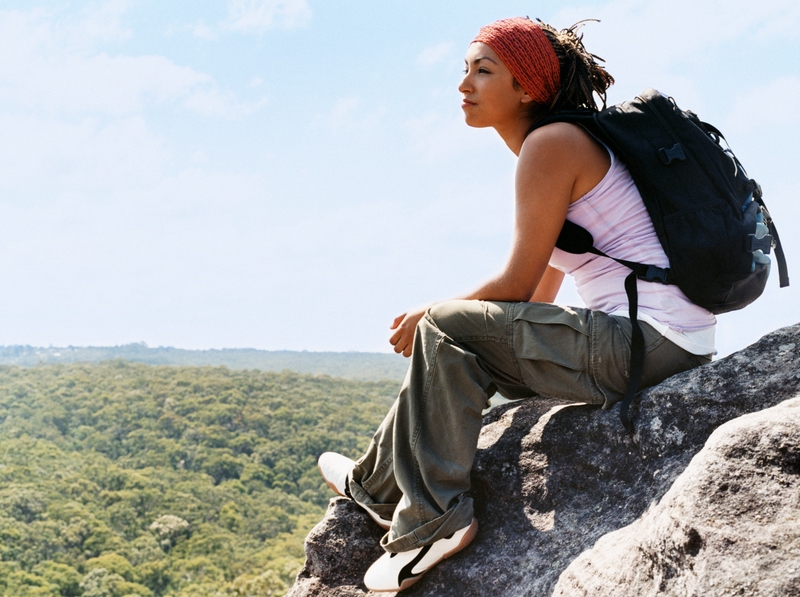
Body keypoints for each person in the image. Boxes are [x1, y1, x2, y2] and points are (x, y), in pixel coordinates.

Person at [318, 16, 715, 592]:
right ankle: (375, 486)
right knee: (460, 340)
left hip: (647, 343)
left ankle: (435, 523)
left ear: (526, 88)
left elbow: (515, 280)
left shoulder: (551, 146)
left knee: (447, 326)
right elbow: (535, 296)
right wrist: (463, 330)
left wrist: (431, 309)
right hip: (655, 342)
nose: (464, 85)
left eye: (484, 71)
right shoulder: (566, 143)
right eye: (465, 70)